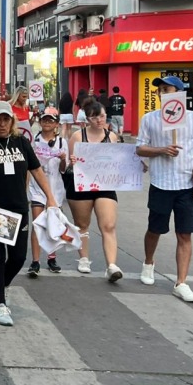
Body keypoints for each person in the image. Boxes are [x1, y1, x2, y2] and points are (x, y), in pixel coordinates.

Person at [0, 101, 57, 326]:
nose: (2, 124)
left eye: (6, 119)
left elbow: (35, 169)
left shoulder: (21, 142)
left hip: (17, 207)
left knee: (18, 258)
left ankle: (0, 284)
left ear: (12, 121)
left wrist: (50, 198)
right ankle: (0, 303)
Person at [136, 76, 193, 303]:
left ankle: (181, 282)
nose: (162, 93)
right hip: (161, 183)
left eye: (166, 89)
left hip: (186, 185)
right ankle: (148, 262)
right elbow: (140, 148)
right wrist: (161, 149)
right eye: (159, 90)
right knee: (155, 228)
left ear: (179, 93)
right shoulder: (150, 119)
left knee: (185, 233)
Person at [66, 100, 123, 280]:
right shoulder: (77, 136)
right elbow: (67, 166)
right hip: (81, 185)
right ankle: (84, 258)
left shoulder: (111, 136)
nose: (99, 120)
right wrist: (72, 162)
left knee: (108, 224)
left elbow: (117, 162)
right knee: (82, 224)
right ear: (87, 119)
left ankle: (112, 265)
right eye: (95, 117)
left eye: (102, 116)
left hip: (104, 185)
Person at [27, 111, 67, 277]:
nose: (47, 123)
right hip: (37, 189)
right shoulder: (33, 141)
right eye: (44, 120)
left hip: (55, 189)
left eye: (51, 121)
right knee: (37, 224)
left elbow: (64, 169)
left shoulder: (61, 142)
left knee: (53, 225)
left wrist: (64, 158)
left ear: (56, 124)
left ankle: (52, 258)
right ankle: (35, 261)